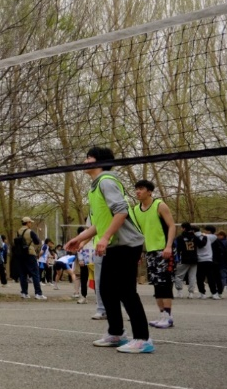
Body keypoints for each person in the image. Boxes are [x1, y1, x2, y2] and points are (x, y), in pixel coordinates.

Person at [64, 146, 151, 353]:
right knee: (106, 290)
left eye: (89, 158)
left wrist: (104, 238)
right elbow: (101, 222)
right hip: (114, 244)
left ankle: (143, 339)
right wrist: (80, 238)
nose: (85, 162)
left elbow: (121, 212)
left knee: (126, 292)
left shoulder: (107, 181)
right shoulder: (95, 187)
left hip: (127, 244)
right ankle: (116, 333)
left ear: (100, 162)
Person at [131, 179, 177, 329]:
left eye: (141, 189)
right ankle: (162, 315)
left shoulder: (159, 205)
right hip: (150, 251)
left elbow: (171, 226)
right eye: (136, 189)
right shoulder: (136, 210)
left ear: (149, 191)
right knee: (156, 284)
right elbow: (138, 233)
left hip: (163, 249)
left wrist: (168, 246)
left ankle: (168, 317)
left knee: (165, 283)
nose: (138, 191)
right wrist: (138, 252)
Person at [15, 217, 46, 300]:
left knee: (23, 274)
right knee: (35, 274)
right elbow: (37, 242)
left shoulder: (18, 231)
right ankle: (38, 293)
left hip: (21, 255)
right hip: (30, 253)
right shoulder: (30, 232)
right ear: (27, 222)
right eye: (30, 222)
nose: (31, 224)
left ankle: (24, 293)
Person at [174, 223, 204, 298]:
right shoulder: (194, 237)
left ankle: (179, 292)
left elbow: (177, 248)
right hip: (194, 259)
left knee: (178, 275)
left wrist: (177, 258)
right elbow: (201, 244)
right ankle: (191, 293)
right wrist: (205, 237)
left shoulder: (180, 237)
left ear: (184, 228)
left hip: (184, 258)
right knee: (192, 276)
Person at [195, 225, 220, 299]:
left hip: (200, 260)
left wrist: (201, 234)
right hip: (208, 259)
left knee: (200, 278)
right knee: (210, 277)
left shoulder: (196, 237)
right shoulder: (210, 237)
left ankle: (202, 293)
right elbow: (214, 236)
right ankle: (214, 293)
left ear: (209, 231)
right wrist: (202, 234)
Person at [75, 226, 94, 304]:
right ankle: (83, 296)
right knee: (84, 279)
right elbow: (79, 246)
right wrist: (80, 259)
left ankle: (99, 298)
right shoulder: (83, 234)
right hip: (85, 259)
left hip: (95, 258)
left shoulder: (99, 231)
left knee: (97, 279)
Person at [213, 230, 227, 298]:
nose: (217, 237)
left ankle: (220, 291)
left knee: (222, 278)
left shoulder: (219, 243)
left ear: (222, 235)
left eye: (218, 235)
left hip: (222, 263)